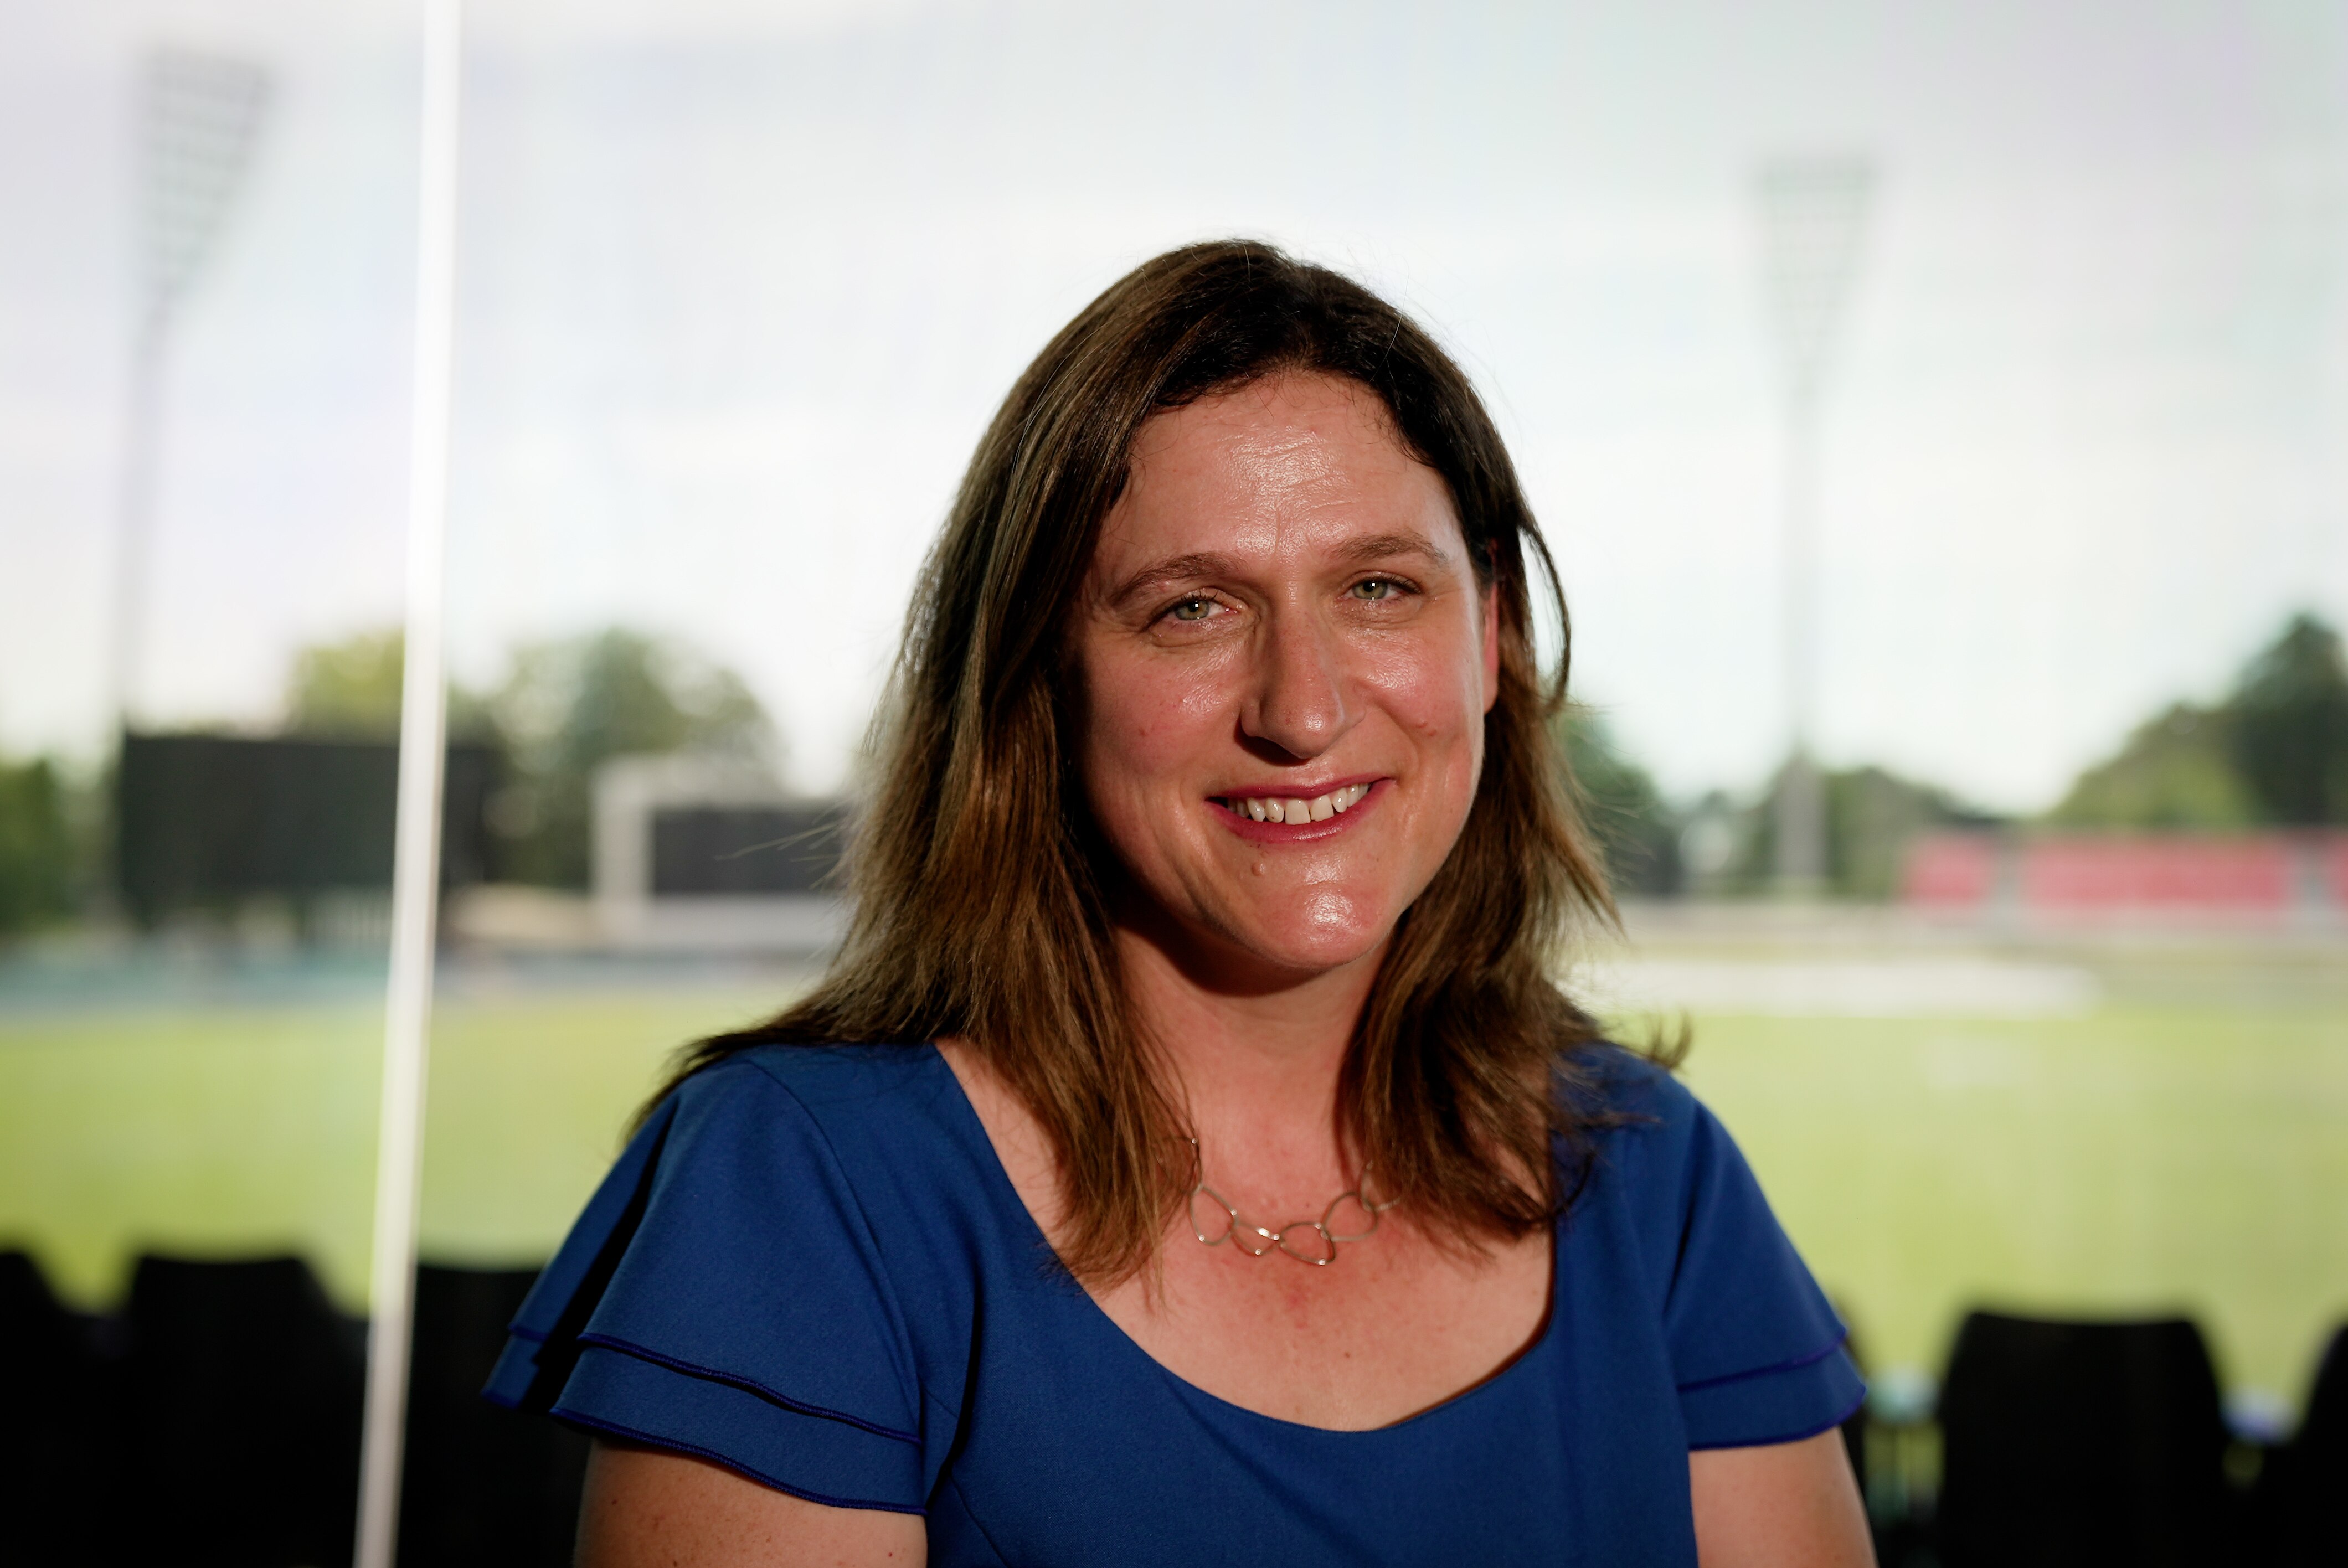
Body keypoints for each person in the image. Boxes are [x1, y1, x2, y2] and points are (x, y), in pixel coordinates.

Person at [487, 240, 1874, 1566]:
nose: (1304, 709)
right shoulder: (804, 1190)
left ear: (1493, 635)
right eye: (1189, 611)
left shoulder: (1654, 1181)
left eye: (1379, 588)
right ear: (1039, 676)